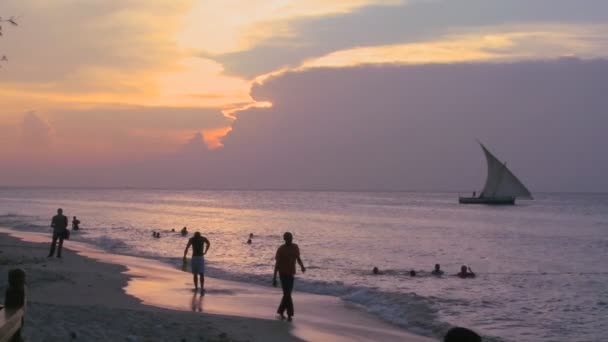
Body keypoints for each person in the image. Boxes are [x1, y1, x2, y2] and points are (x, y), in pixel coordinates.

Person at [272, 232, 306, 322]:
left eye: (291, 238)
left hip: (291, 274)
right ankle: (289, 315)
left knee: (287, 294)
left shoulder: (295, 247)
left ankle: (281, 312)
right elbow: (277, 264)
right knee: (287, 294)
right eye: (288, 238)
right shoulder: (281, 249)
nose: (290, 239)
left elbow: (298, 258)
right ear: (285, 239)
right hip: (282, 274)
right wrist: (274, 278)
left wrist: (302, 266)